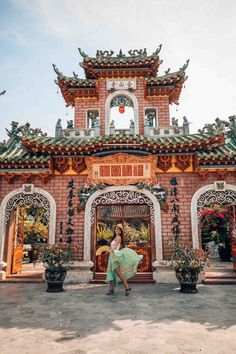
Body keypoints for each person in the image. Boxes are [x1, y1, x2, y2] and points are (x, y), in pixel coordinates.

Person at [105, 224, 143, 296]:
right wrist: (109, 251)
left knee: (119, 273)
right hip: (112, 256)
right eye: (116, 229)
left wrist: (109, 250)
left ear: (121, 231)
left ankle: (127, 288)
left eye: (118, 229)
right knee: (111, 273)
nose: (116, 230)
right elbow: (113, 247)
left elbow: (115, 247)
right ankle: (111, 290)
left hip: (114, 257)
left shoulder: (118, 237)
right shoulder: (115, 237)